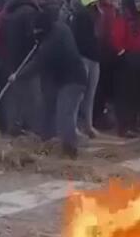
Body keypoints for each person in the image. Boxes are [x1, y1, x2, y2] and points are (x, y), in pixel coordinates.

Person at [10, 9, 87, 158]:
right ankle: (49, 142)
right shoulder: (61, 28)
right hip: (67, 78)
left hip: (72, 81)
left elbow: (37, 64)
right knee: (50, 109)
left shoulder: (49, 45)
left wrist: (17, 76)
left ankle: (69, 150)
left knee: (64, 114)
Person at [2, 0, 43, 136]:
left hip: (12, 60)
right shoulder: (30, 12)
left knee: (15, 98)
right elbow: (33, 37)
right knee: (33, 99)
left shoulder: (12, 11)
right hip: (27, 60)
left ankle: (13, 127)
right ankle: (32, 132)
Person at [112, 0, 140, 137]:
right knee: (125, 95)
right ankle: (124, 126)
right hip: (127, 61)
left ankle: (133, 123)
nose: (139, 5)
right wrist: (124, 54)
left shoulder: (139, 18)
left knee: (137, 94)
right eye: (136, 2)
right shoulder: (123, 18)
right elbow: (117, 39)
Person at [71, 0, 102, 138]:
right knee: (81, 95)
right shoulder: (80, 18)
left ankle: (88, 125)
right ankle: (78, 126)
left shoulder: (95, 18)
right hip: (84, 58)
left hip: (93, 58)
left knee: (88, 95)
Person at [94, 0, 120, 129]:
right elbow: (104, 33)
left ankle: (103, 116)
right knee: (102, 87)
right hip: (106, 53)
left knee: (105, 86)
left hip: (109, 52)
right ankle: (99, 117)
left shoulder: (110, 9)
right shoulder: (104, 10)